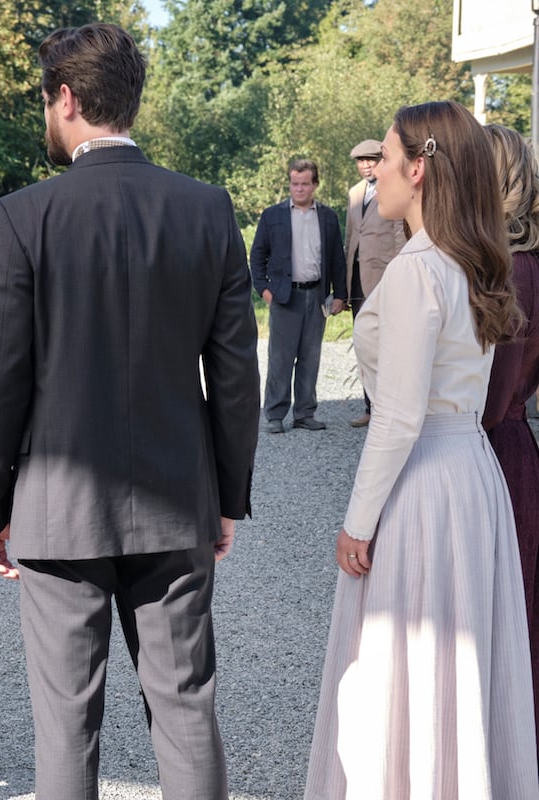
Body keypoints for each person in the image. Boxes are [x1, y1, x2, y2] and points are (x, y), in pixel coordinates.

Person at [0, 23, 260, 800]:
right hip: (176, 500)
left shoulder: (21, 217)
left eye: (45, 101)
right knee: (186, 710)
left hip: (57, 511)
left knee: (66, 724)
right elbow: (235, 376)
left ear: (65, 98)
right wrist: (226, 496)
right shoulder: (206, 209)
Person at [305, 101, 538, 799]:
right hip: (473, 474)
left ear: (419, 171)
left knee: (406, 659)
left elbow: (399, 418)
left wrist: (357, 522)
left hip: (426, 479)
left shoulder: (417, 270)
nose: (374, 173)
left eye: (385, 157)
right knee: (458, 662)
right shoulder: (472, 261)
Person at [483, 121, 539, 769]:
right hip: (507, 447)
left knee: (508, 620)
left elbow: (494, 400)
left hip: (499, 452)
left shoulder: (517, 271)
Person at [250, 159, 347, 433]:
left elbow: (337, 259)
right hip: (285, 296)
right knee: (280, 359)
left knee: (310, 357)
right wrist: (264, 289)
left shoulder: (328, 217)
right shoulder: (273, 216)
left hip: (316, 295)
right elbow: (257, 255)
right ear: (290, 184)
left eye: (305, 184)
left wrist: (340, 294)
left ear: (315, 184)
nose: (299, 189)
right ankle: (274, 415)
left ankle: (304, 413)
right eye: (295, 184)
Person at [344, 138, 406, 427]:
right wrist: (344, 286)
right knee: (364, 343)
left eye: (371, 160)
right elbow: (350, 238)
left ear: (381, 161)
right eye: (361, 161)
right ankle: (370, 407)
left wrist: (399, 272)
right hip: (357, 279)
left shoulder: (392, 187)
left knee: (388, 344)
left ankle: (389, 408)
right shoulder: (355, 193)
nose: (366, 165)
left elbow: (399, 233)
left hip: (384, 276)